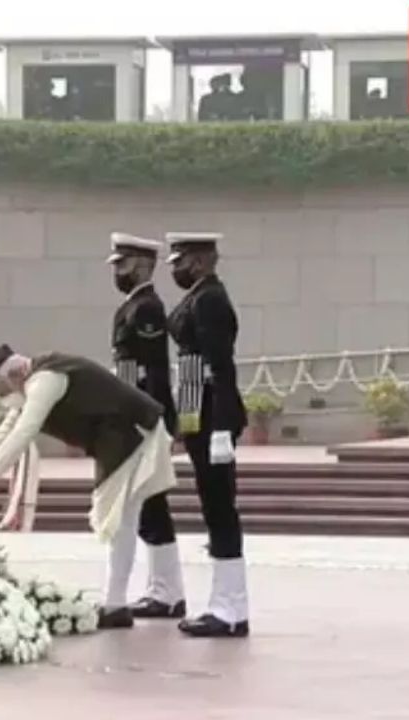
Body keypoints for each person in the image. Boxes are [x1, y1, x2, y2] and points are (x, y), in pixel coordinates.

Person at [0, 345, 176, 630]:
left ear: (14, 375)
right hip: (121, 438)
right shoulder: (31, 385)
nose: (7, 400)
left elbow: (24, 432)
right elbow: (1, 437)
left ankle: (116, 605)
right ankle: (169, 594)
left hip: (131, 435)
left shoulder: (44, 380)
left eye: (3, 391)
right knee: (141, 518)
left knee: (119, 519)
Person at [164, 232, 250, 638]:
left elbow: (221, 366)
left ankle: (230, 608)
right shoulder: (201, 295)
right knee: (212, 507)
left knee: (220, 508)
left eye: (179, 262)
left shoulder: (210, 299)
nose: (176, 270)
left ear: (198, 261)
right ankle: (222, 603)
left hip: (213, 410)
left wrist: (221, 426)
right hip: (200, 410)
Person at [107, 232, 187, 620]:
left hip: (144, 418)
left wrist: (149, 419)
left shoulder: (148, 309)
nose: (117, 272)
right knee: (152, 505)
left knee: (146, 504)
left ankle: (167, 591)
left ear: (142, 265)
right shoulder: (133, 306)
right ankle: (166, 591)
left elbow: (151, 373)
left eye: (122, 264)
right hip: (134, 415)